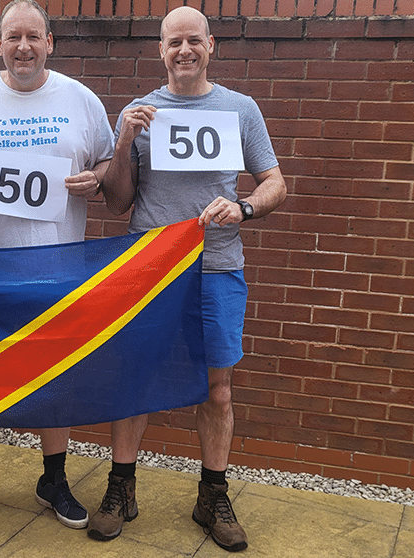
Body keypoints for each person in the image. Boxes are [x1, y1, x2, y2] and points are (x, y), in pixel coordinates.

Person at [87, 6, 286, 552]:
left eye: (193, 41)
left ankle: (212, 495)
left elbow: (275, 182)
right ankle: (120, 488)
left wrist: (244, 208)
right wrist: (124, 138)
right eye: (173, 42)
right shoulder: (139, 111)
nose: (184, 51)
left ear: (211, 45)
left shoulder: (240, 109)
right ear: (160, 50)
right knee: (135, 379)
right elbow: (119, 199)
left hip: (217, 266)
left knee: (218, 389)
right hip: (149, 270)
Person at [0, 0, 114, 530]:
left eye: (34, 37)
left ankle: (53, 477)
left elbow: (105, 160)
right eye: (13, 37)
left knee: (55, 375)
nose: (24, 47)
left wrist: (96, 178)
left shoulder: (81, 99)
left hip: (57, 268)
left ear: (51, 42)